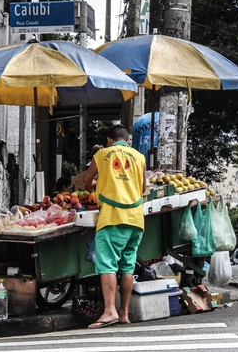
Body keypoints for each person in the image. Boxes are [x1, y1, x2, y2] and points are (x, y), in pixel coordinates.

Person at [83, 124, 147, 329]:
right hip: (136, 219)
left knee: (108, 265)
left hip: (112, 217)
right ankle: (124, 313)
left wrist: (96, 183)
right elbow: (144, 188)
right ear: (127, 140)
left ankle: (109, 311)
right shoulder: (139, 157)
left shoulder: (102, 154)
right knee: (128, 265)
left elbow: (86, 181)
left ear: (109, 140)